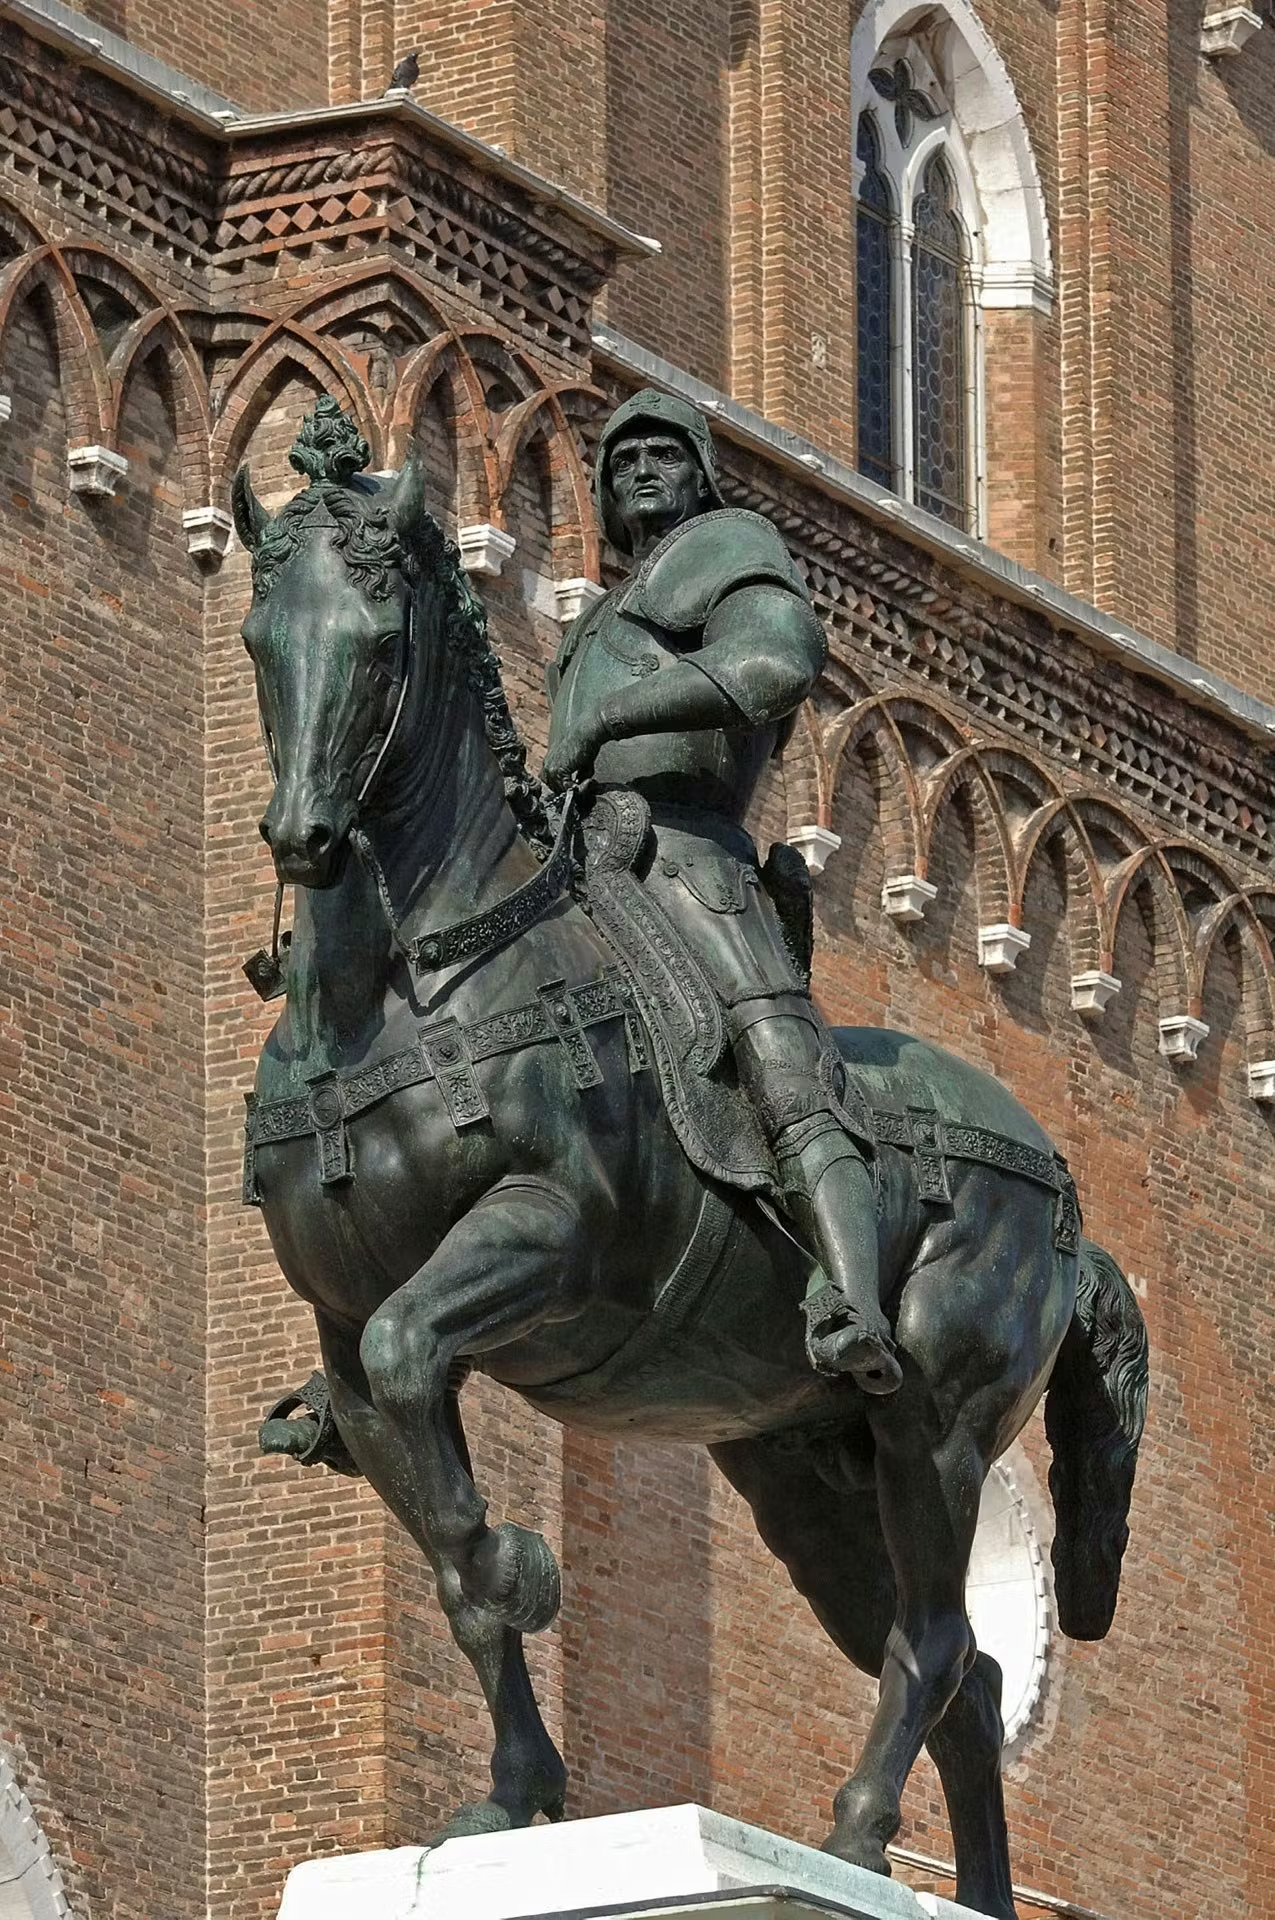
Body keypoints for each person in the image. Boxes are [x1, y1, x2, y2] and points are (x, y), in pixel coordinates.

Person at [542, 390, 902, 1395]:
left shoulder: (732, 548)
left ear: (700, 474)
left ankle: (855, 1302)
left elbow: (775, 660)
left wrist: (611, 715)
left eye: (665, 454)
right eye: (624, 460)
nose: (643, 470)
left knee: (779, 1058)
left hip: (688, 851)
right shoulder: (606, 614)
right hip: (585, 852)